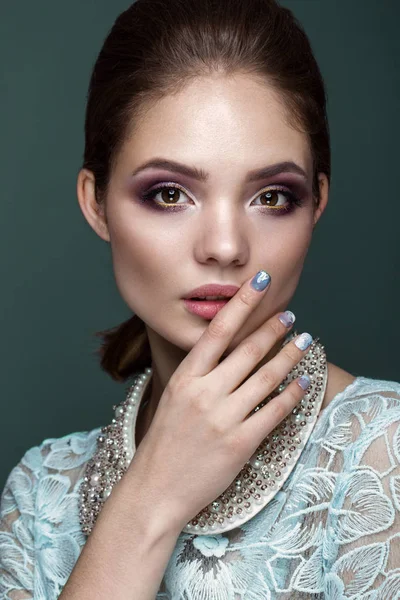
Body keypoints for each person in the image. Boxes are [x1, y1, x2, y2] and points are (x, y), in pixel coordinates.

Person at [1, 0, 399, 597]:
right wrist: (151, 497)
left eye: (271, 197)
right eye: (168, 194)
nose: (224, 246)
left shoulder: (382, 458)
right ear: (96, 202)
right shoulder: (40, 495)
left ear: (316, 203)